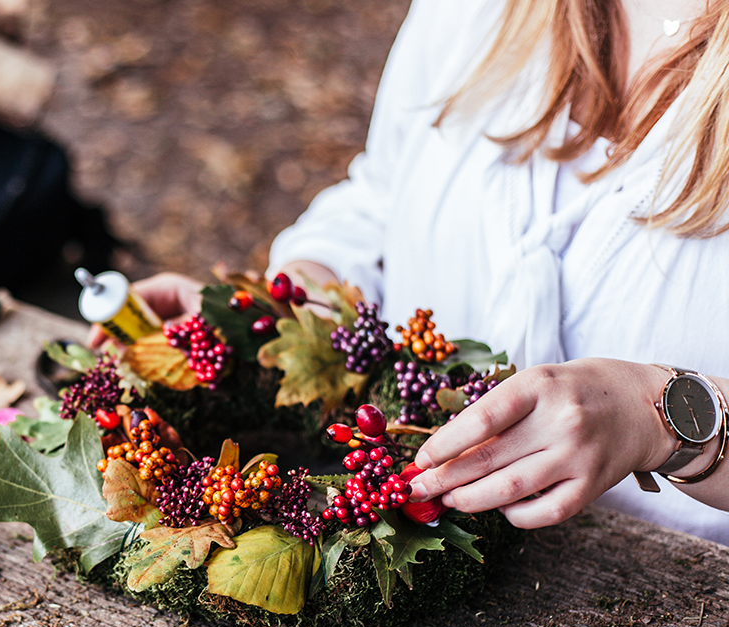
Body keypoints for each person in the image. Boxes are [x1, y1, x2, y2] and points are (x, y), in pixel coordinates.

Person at [111, 0, 729, 543]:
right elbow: (382, 199)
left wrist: (660, 417)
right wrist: (287, 320)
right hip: (421, 580)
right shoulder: (474, 11)